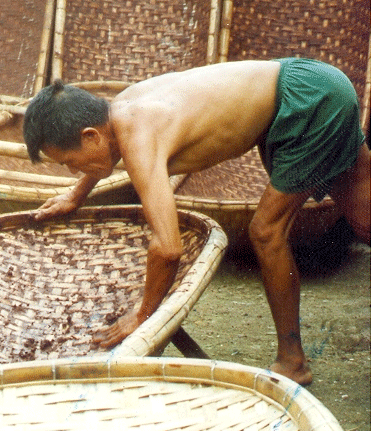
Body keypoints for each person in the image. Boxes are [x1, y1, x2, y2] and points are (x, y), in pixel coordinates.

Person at [23, 59, 370, 385]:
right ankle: (293, 360)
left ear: (91, 136)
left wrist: (141, 315)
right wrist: (76, 194)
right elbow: (106, 154)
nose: (74, 171)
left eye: (71, 162)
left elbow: (169, 248)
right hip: (312, 82)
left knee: (266, 232)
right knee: (365, 220)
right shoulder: (121, 108)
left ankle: (292, 362)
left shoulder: (138, 137)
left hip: (306, 104)